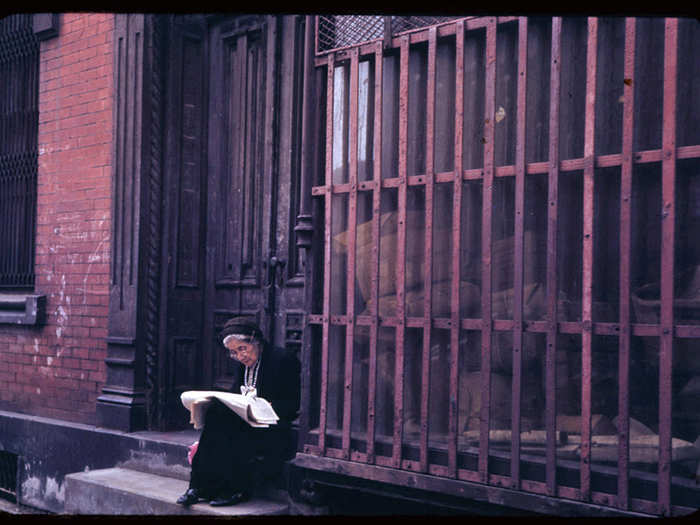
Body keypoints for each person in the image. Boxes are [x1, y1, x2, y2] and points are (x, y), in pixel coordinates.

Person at [176, 317, 300, 507]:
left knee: (231, 430)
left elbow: (291, 404)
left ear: (255, 341)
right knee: (217, 416)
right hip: (246, 421)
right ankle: (198, 487)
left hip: (272, 427)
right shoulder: (243, 364)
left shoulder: (282, 359)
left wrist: (263, 408)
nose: (240, 356)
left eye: (243, 349)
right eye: (234, 353)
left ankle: (236, 489)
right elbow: (237, 395)